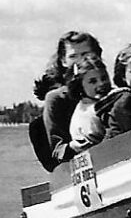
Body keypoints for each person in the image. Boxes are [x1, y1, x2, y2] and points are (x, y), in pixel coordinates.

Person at [36, 31, 104, 167]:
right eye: (73, 56)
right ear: (63, 61)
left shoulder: (108, 91)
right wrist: (77, 144)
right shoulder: (56, 99)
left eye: (86, 54)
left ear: (97, 56)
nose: (80, 61)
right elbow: (57, 150)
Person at [66, 53, 112, 153]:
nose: (101, 84)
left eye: (104, 78)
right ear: (80, 86)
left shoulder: (103, 101)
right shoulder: (87, 113)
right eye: (93, 81)